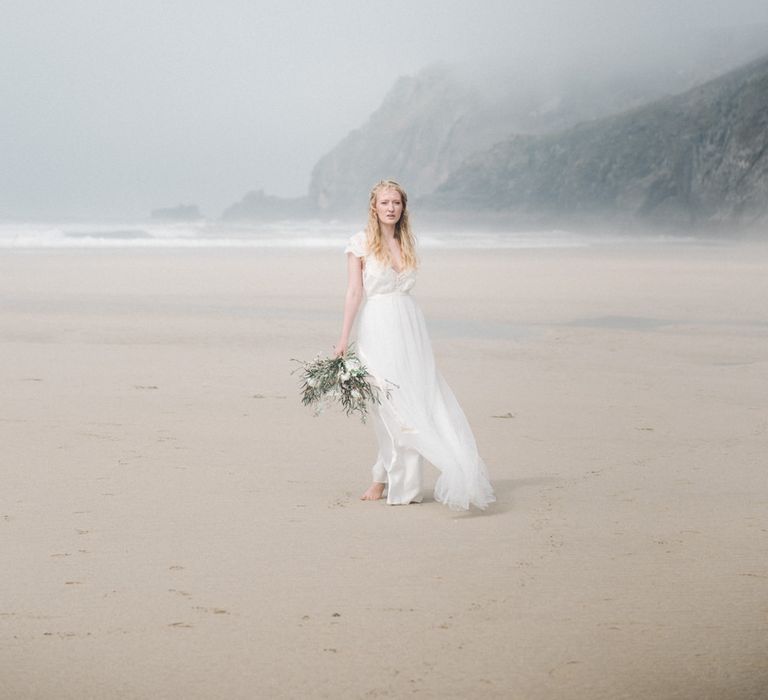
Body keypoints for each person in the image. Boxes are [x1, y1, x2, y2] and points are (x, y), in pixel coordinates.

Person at [334, 180, 495, 511]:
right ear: (374, 208)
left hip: (410, 327)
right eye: (385, 203)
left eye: (396, 202)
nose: (391, 208)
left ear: (403, 207)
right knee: (389, 404)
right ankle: (390, 481)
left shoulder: (406, 242)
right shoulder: (360, 243)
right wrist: (342, 339)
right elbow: (354, 293)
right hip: (378, 325)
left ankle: (383, 479)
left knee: (415, 400)